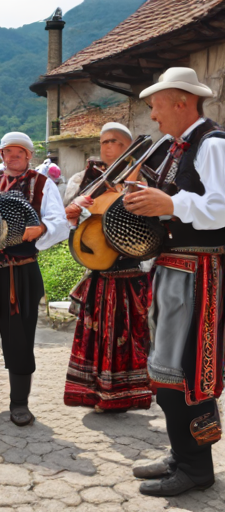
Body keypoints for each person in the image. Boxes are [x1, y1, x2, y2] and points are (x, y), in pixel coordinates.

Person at [123, 68, 225, 497]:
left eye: (156, 105)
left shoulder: (213, 144)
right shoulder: (180, 148)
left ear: (181, 101)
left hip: (200, 274)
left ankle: (197, 468)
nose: (152, 115)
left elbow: (221, 210)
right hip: (177, 270)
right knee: (167, 371)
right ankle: (182, 453)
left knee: (187, 373)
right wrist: (150, 201)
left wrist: (169, 201)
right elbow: (186, 206)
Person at [0, 132, 69, 426]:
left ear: (29, 155)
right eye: (9, 151)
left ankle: (19, 403)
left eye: (20, 152)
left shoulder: (43, 184)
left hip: (23, 270)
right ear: (1, 154)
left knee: (19, 338)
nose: (14, 156)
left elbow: (60, 223)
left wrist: (40, 229)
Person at [63, 122, 152, 413]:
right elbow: (69, 221)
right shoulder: (86, 179)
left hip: (131, 272)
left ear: (128, 148)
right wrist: (74, 210)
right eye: (103, 142)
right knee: (94, 335)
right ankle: (93, 394)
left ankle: (125, 396)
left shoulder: (145, 178)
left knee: (130, 337)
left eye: (113, 141)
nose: (106, 147)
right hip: (98, 272)